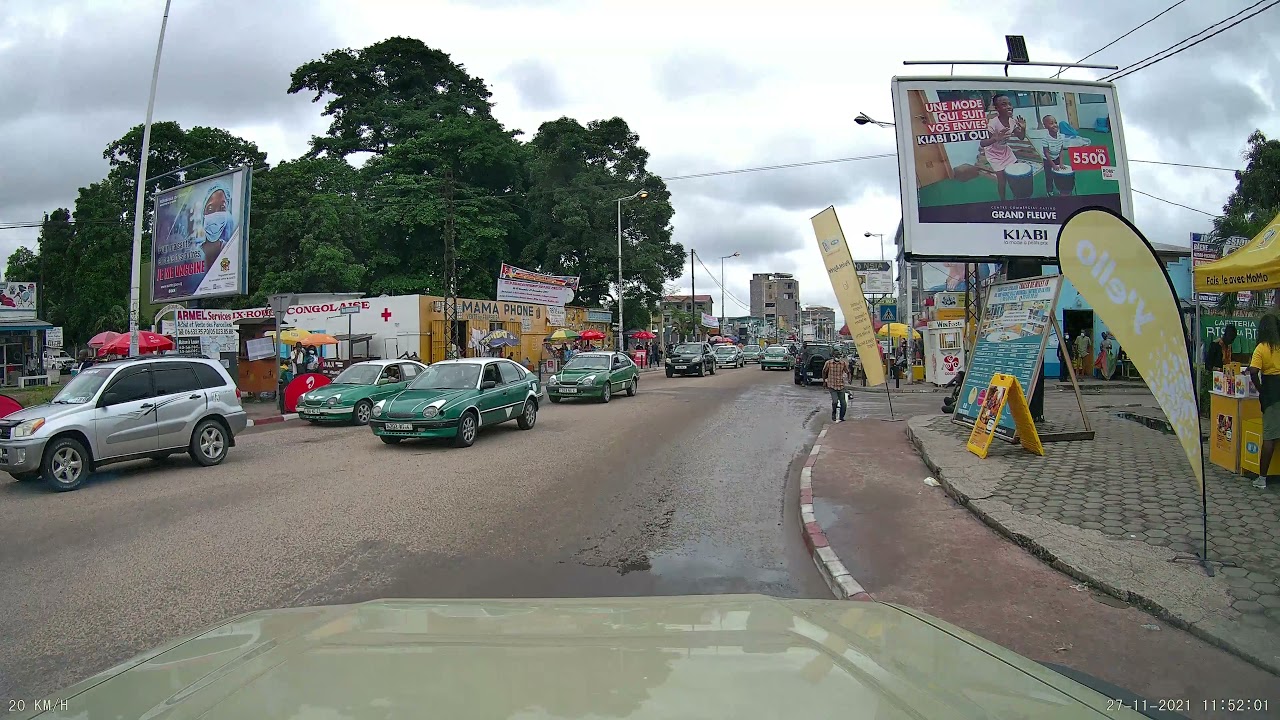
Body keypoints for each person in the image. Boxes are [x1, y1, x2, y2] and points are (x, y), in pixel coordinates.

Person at [1246, 314, 1280, 489]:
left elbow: (1253, 372)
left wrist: (1261, 391)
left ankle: (1262, 478)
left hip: (1272, 395)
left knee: (1269, 437)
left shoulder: (1261, 348)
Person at [980, 93, 1028, 201]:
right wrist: (995, 138)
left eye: (1009, 104)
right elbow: (982, 143)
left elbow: (1021, 137)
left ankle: (1017, 196)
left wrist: (1023, 128)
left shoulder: (1012, 121)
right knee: (1002, 180)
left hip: (1005, 151)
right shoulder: (992, 124)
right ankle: (1003, 201)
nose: (1009, 107)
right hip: (993, 154)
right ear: (997, 109)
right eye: (1004, 104)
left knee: (1015, 174)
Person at [1040, 115, 1068, 196]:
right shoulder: (1045, 139)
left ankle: (1060, 188)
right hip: (1048, 160)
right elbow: (1046, 153)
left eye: (1055, 122)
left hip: (1057, 158)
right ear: (1045, 126)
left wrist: (1061, 163)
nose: (1055, 125)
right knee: (1049, 177)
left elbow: (1061, 150)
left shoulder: (1061, 136)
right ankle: (1049, 190)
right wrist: (1053, 165)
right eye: (1051, 123)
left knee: (1059, 175)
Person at [821, 348, 850, 423]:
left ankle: (841, 417)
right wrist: (824, 381)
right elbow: (824, 372)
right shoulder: (828, 363)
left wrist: (849, 379)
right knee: (835, 401)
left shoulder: (843, 363)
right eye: (836, 355)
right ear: (833, 356)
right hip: (832, 385)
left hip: (840, 385)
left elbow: (848, 372)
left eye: (839, 355)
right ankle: (834, 413)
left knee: (843, 403)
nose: (838, 356)